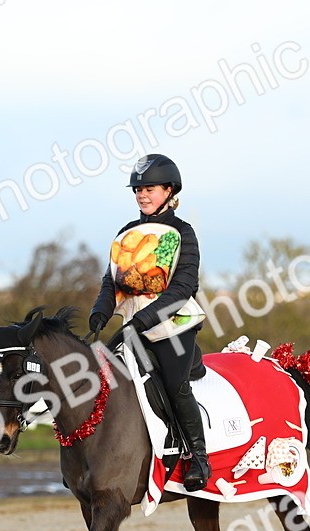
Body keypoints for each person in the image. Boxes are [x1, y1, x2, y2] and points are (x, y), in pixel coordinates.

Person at [88, 154, 211, 491]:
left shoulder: (183, 232)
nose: (142, 195)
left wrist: (142, 320)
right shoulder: (126, 233)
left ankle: (197, 456)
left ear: (169, 190)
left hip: (173, 327)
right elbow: (112, 282)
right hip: (132, 328)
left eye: (149, 189)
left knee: (174, 385)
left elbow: (184, 288)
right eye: (138, 190)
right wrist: (100, 312)